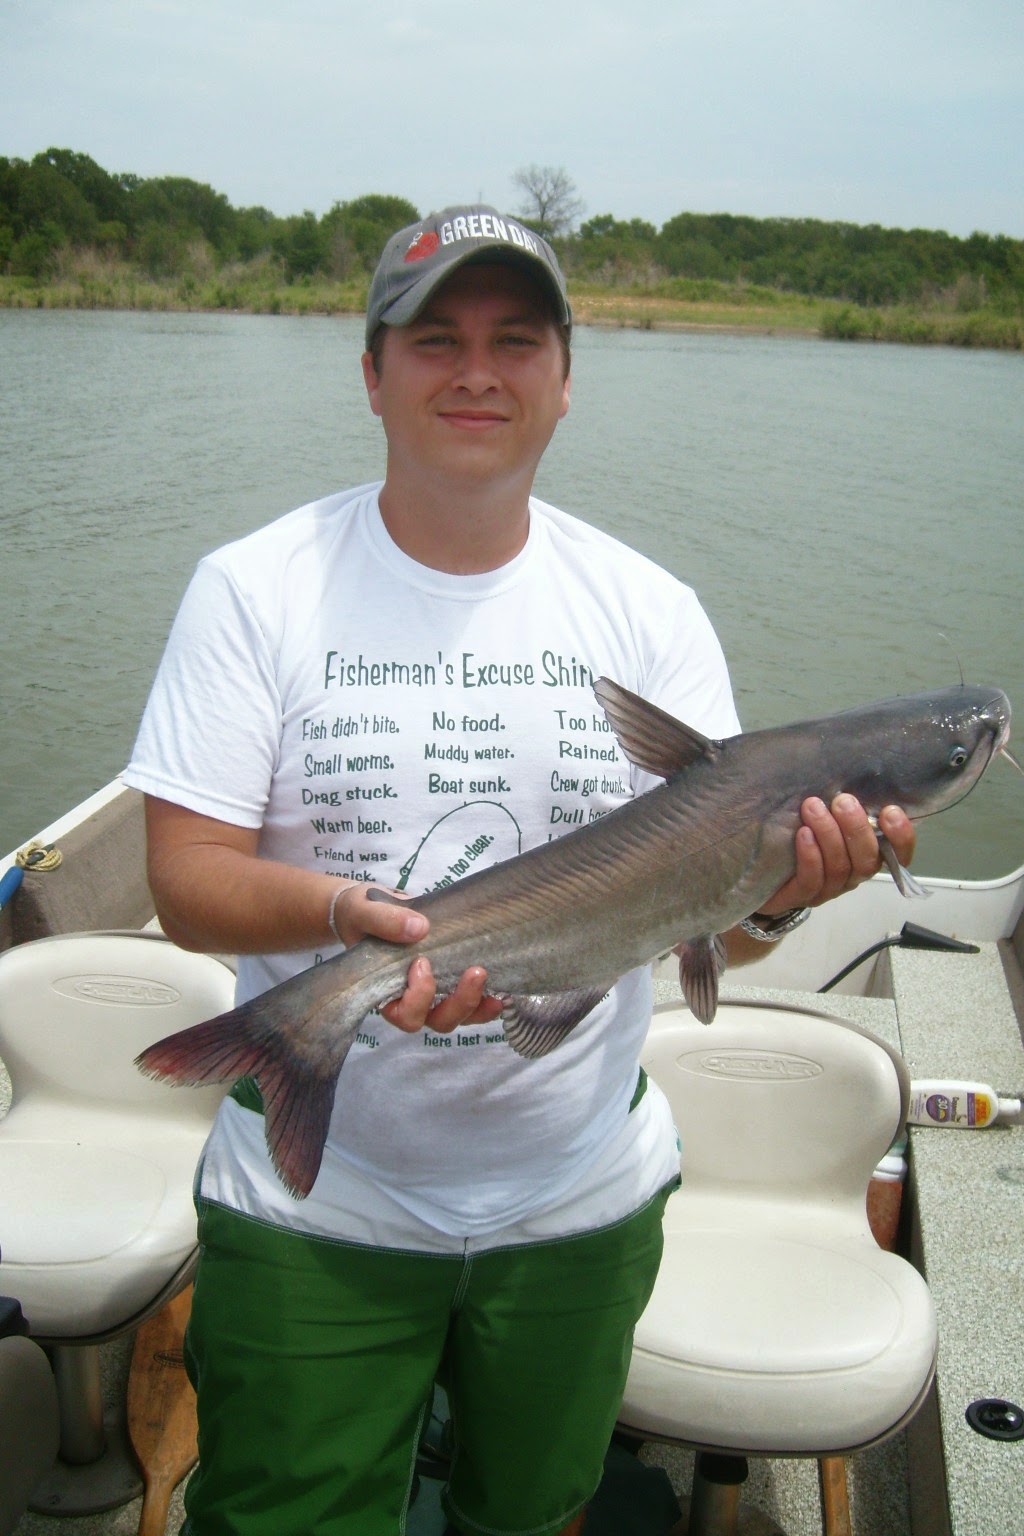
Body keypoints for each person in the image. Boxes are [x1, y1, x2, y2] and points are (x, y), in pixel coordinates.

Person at [123, 205, 915, 1536]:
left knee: (535, 1513)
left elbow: (729, 920)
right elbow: (186, 876)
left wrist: (786, 887)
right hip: (321, 1209)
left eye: (514, 341)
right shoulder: (255, 590)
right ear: (372, 374)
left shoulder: (649, 610)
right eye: (434, 340)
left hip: (576, 1200)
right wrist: (342, 919)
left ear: (564, 380)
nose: (475, 372)